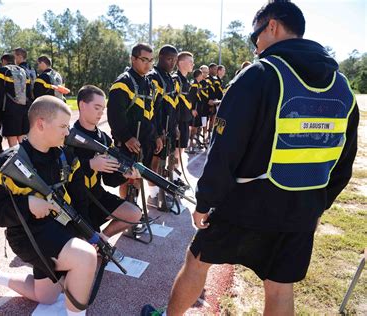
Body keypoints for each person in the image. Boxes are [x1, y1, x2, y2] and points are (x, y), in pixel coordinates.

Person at [141, 1, 359, 315]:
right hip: (302, 209)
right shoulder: (343, 88)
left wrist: (204, 202)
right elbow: (344, 163)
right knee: (281, 287)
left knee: (197, 262)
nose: (255, 45)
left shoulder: (259, 74)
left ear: (272, 26)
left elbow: (225, 149)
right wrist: (317, 204)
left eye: (255, 35)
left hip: (246, 202)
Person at [0, 96, 97, 316]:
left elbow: (79, 198)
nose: (67, 132)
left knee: (46, 297)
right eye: (63, 126)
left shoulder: (64, 155)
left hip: (59, 228)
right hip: (27, 233)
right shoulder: (8, 162)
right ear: (40, 124)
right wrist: (27, 204)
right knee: (85, 257)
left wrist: (91, 232)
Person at [70, 85, 142, 243]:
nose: (101, 112)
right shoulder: (67, 136)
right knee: (86, 256)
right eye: (97, 107)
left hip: (97, 196)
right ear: (82, 105)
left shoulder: (103, 138)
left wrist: (124, 174)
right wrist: (89, 164)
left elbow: (109, 180)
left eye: (102, 108)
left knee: (135, 214)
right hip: (74, 203)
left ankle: (103, 238)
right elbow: (59, 171)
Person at [107, 43, 162, 200]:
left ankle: (134, 206)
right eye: (144, 59)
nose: (148, 64)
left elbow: (152, 113)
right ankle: (127, 208)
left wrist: (156, 135)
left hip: (144, 140)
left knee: (138, 177)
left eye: (151, 60)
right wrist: (126, 138)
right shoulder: (123, 83)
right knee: (126, 178)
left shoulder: (149, 84)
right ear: (133, 59)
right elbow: (114, 115)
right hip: (128, 142)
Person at [147, 45, 179, 208]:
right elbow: (152, 108)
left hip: (169, 128)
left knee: (164, 162)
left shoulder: (169, 77)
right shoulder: (153, 77)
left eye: (174, 59)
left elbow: (171, 106)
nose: (172, 62)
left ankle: (162, 194)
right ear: (160, 57)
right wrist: (157, 133)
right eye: (169, 59)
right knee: (154, 163)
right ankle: (152, 196)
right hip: (157, 129)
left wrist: (175, 127)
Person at [0, 52, 32, 147]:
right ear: (14, 60)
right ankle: (25, 160)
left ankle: (16, 160)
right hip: (24, 110)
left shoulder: (2, 71)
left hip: (9, 111)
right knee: (22, 142)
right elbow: (29, 93)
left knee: (12, 144)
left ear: (3, 61)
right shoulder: (24, 72)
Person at [172, 51, 194, 187]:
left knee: (180, 151)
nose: (193, 64)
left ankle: (175, 176)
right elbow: (172, 105)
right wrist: (175, 125)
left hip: (185, 121)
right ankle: (172, 178)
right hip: (177, 122)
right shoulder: (176, 79)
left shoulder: (186, 81)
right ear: (180, 63)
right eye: (190, 61)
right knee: (175, 152)